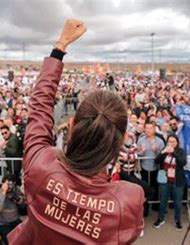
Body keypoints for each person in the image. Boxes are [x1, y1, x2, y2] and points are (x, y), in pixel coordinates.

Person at [8, 19, 144, 244]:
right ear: (120, 142)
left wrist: (60, 47)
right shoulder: (128, 200)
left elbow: (39, 110)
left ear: (71, 126)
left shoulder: (42, 166)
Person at [153, 135, 187, 230]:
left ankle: (177, 220)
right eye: (169, 141)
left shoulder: (181, 151)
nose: (171, 144)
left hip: (177, 181)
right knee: (163, 200)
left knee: (177, 203)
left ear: (177, 142)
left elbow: (183, 162)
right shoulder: (165, 150)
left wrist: (174, 153)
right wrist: (162, 152)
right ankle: (160, 219)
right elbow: (156, 161)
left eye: (173, 142)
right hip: (165, 180)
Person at [137, 122, 165, 216]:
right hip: (144, 167)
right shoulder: (141, 140)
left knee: (156, 187)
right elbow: (136, 153)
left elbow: (163, 155)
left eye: (150, 128)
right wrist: (141, 152)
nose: (148, 130)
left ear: (154, 129)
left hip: (156, 168)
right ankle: (145, 209)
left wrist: (156, 151)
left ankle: (155, 206)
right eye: (147, 128)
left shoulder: (159, 141)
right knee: (145, 188)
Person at [0, 175, 24, 244]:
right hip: (3, 223)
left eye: (11, 184)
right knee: (11, 241)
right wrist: (3, 193)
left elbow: (24, 208)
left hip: (15, 221)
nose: (9, 186)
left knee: (26, 238)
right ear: (2, 184)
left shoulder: (16, 190)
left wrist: (20, 200)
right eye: (7, 184)